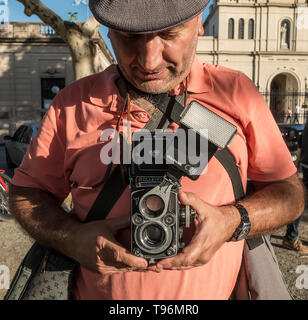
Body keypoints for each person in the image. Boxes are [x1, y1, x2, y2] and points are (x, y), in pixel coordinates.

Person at [9, 0, 305, 300]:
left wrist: (233, 220)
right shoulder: (72, 105)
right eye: (129, 37)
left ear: (199, 21)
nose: (149, 61)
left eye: (170, 33)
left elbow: (289, 193)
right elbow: (26, 192)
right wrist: (71, 239)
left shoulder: (237, 93)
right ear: (108, 32)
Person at [283, 119, 308, 254]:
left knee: (302, 200)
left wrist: (297, 165)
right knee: (302, 202)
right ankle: (290, 237)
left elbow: (301, 144)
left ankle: (291, 236)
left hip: (305, 163)